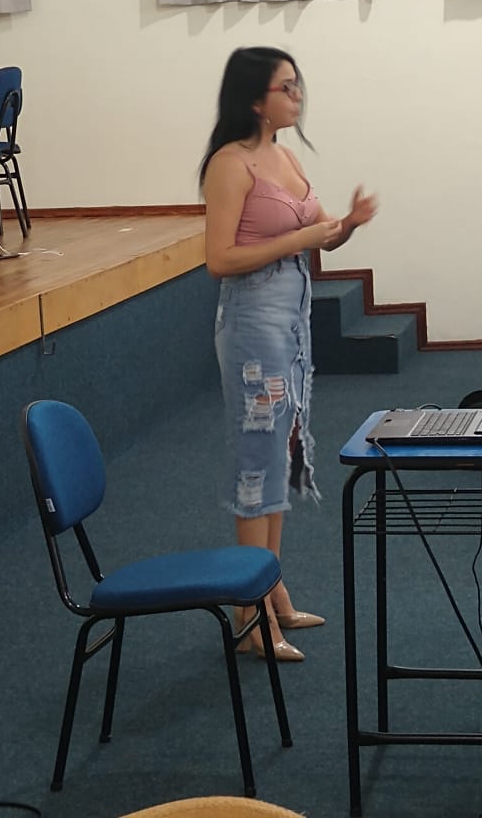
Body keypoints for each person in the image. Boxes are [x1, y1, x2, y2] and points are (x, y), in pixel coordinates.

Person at [200, 46, 378, 662]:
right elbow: (219, 259)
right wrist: (302, 236)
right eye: (287, 87)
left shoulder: (285, 155)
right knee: (257, 460)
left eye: (298, 85)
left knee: (278, 453)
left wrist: (347, 224)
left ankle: (270, 586)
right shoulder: (229, 164)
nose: (297, 95)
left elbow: (321, 233)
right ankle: (248, 610)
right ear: (256, 99)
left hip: (290, 325)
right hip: (252, 325)